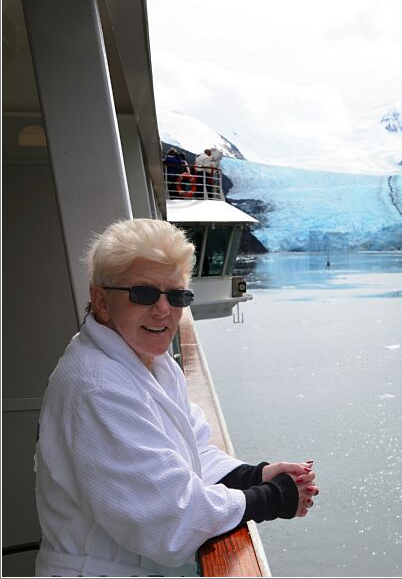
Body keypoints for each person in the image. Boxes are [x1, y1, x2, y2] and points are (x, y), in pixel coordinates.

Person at [34, 218, 319, 577]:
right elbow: (169, 522)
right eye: (144, 293)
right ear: (101, 300)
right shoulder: (97, 386)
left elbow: (191, 452)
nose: (163, 310)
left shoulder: (149, 361)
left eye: (177, 296)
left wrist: (255, 474)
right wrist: (272, 498)